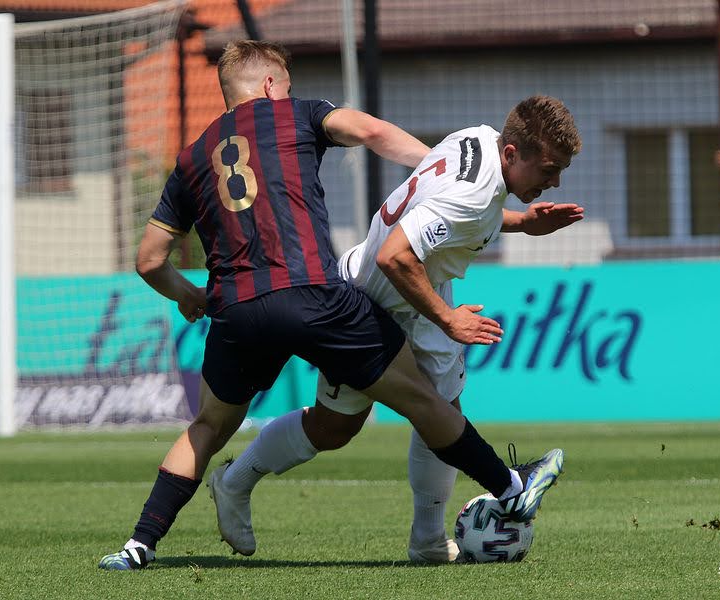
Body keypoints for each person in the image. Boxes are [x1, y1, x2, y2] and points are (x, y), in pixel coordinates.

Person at [99, 41, 562, 570]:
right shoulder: (296, 113)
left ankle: (138, 545)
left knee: (209, 428)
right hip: (316, 298)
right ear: (272, 86)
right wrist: (437, 166)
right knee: (424, 401)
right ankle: (509, 488)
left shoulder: (189, 159)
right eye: (287, 86)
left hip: (237, 308)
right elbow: (371, 133)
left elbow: (149, 260)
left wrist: (193, 297)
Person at [211, 95, 582, 563]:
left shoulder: (479, 140)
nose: (554, 182)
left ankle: (428, 541)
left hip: (416, 294)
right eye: (548, 169)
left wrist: (522, 223)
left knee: (443, 409)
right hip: (369, 305)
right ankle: (234, 480)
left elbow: (451, 215)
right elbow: (395, 256)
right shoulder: (471, 192)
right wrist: (448, 320)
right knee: (334, 428)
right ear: (512, 154)